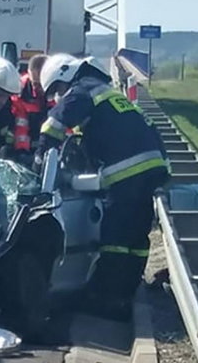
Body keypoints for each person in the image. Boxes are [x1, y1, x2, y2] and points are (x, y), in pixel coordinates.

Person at [37, 53, 170, 322]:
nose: (57, 97)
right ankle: (124, 295)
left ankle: (105, 299)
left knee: (115, 239)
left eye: (57, 91)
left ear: (66, 77)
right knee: (136, 239)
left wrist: (41, 152)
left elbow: (56, 122)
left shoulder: (83, 89)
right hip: (153, 169)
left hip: (127, 173)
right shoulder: (111, 95)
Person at [13, 54, 49, 143]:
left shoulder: (59, 90)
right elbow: (21, 126)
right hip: (31, 137)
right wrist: (22, 150)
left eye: (42, 84)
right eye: (35, 84)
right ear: (29, 75)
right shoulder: (20, 92)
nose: (39, 88)